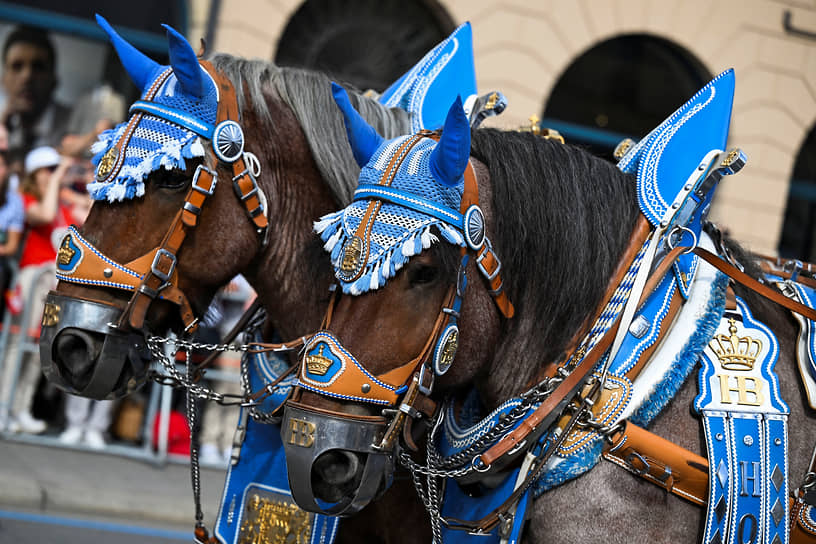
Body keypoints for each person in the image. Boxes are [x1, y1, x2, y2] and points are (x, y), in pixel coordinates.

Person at [0, 146, 70, 433]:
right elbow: (44, 214)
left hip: (53, 285)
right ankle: (3, 406)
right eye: (51, 170)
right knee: (18, 345)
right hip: (31, 280)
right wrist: (57, 181)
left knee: (41, 348)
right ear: (37, 173)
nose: (57, 175)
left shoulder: (63, 206)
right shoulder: (25, 199)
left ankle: (21, 408)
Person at [1, 26, 70, 175]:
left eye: (38, 67)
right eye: (17, 66)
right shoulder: (2, 123)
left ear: (54, 80)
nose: (27, 76)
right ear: (3, 79)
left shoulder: (74, 126)